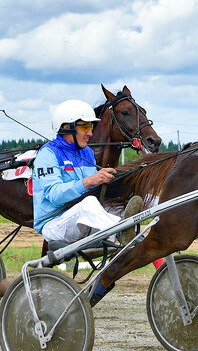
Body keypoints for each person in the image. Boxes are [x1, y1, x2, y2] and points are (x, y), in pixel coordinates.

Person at [33, 100, 143, 246]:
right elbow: (54, 195)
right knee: (89, 204)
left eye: (90, 126)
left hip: (81, 220)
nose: (90, 133)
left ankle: (144, 240)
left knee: (117, 205)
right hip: (54, 223)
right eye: (85, 127)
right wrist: (90, 181)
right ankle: (122, 231)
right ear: (67, 127)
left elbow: (93, 190)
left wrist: (112, 180)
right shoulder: (48, 154)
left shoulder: (87, 152)